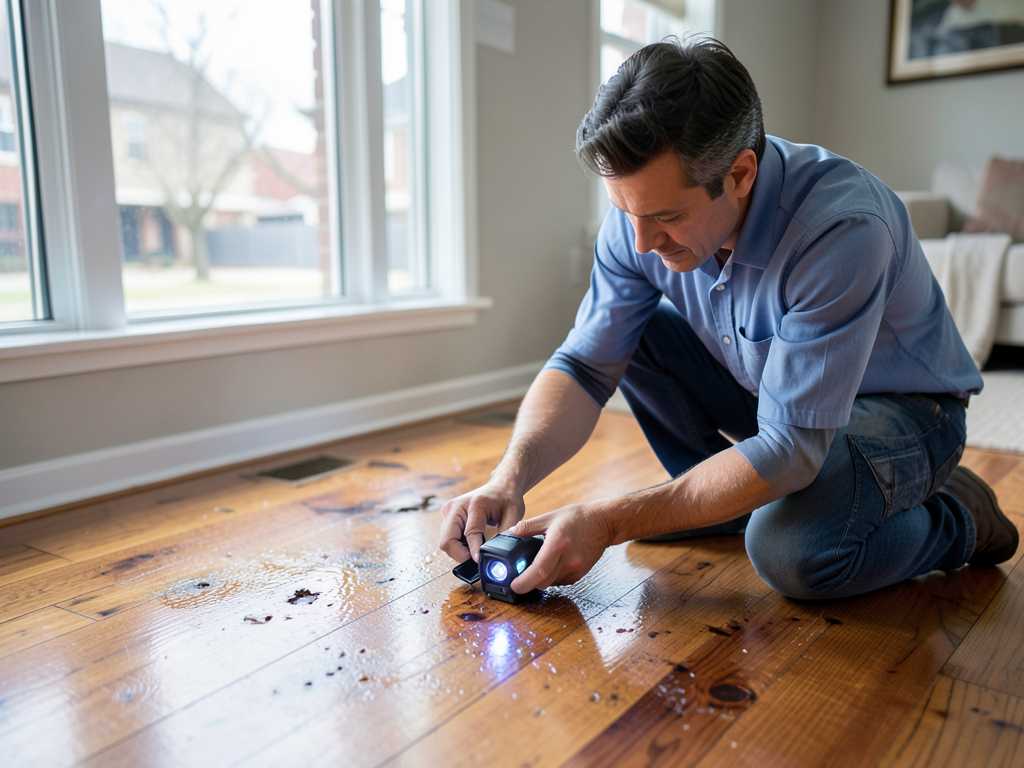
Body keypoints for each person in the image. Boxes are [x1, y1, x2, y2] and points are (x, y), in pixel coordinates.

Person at [439, 37, 1018, 600]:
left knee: (790, 551)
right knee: (637, 343)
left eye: (667, 215)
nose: (639, 243)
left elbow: (790, 447)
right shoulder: (640, 223)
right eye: (624, 211)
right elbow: (585, 364)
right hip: (776, 396)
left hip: (909, 411)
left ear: (740, 175)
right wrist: (507, 478)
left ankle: (956, 516)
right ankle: (723, 505)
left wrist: (612, 522)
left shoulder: (842, 228)